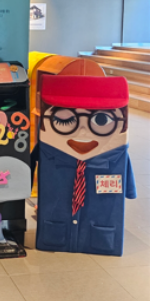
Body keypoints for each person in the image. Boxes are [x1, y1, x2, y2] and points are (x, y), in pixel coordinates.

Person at [33, 75, 136, 256]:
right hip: (55, 228)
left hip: (101, 234)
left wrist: (129, 190)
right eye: (64, 120)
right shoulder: (47, 152)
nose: (82, 132)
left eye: (101, 120)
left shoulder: (116, 157)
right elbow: (32, 160)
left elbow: (125, 165)